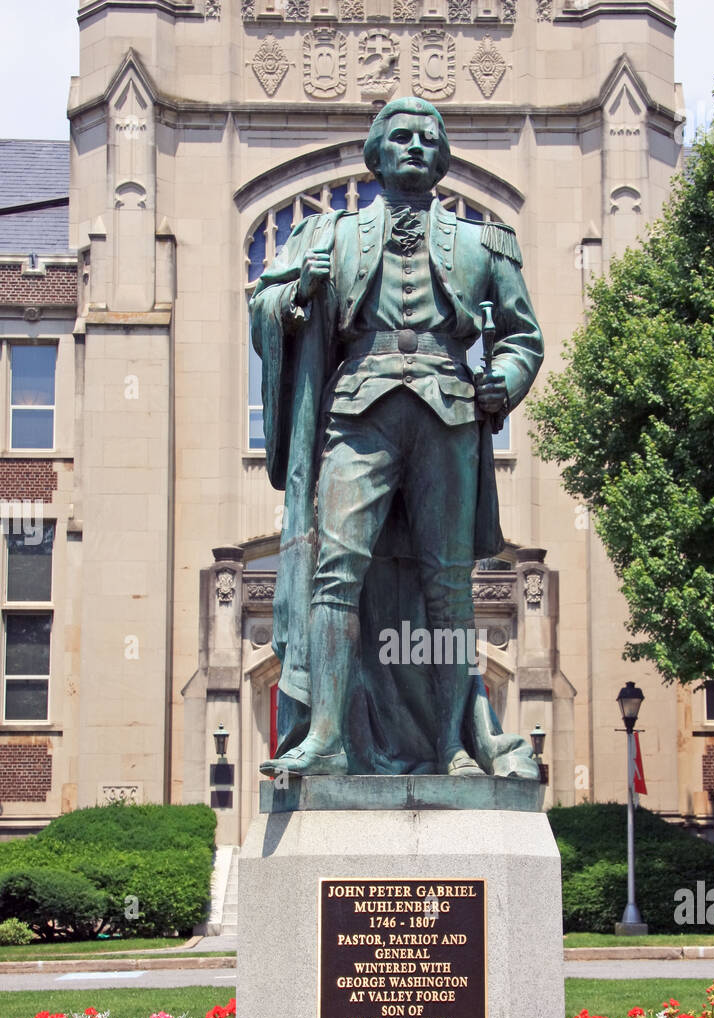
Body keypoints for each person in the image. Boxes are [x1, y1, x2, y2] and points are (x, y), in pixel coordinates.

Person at [250, 96, 543, 778]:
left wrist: (504, 377)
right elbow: (266, 303)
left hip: (449, 413)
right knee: (337, 573)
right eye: (401, 136)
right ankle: (326, 736)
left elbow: (524, 337)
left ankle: (449, 746)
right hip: (358, 413)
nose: (415, 145)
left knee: (449, 587)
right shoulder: (332, 236)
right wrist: (295, 302)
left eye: (427, 137)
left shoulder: (484, 243)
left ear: (441, 156)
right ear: (377, 153)